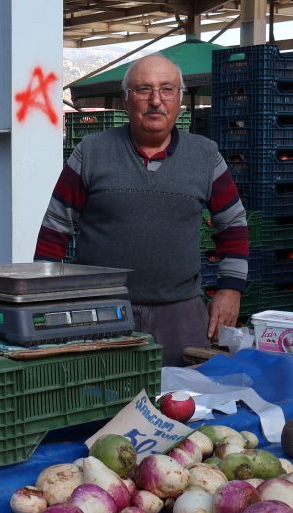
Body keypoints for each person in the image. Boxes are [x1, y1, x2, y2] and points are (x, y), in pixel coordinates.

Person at [34, 54, 248, 366]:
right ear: (125, 100)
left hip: (180, 315)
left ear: (179, 99)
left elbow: (233, 227)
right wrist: (43, 300)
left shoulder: (205, 156)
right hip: (100, 313)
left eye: (167, 89)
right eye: (143, 90)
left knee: (185, 405)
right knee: (96, 403)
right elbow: (55, 229)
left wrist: (231, 289)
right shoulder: (91, 152)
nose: (156, 101)